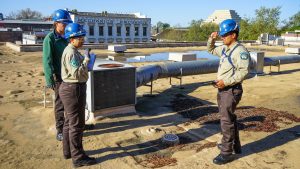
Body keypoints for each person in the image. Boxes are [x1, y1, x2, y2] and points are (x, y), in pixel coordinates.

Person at [207, 19, 250, 165]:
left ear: (234, 35)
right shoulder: (225, 48)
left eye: (225, 35)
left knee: (226, 121)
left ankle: (226, 153)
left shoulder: (240, 51)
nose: (222, 37)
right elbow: (211, 50)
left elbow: (243, 72)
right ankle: (234, 146)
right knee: (229, 118)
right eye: (222, 35)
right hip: (223, 89)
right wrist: (211, 39)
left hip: (231, 90)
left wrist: (225, 82)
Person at [59, 23, 97, 168]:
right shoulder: (71, 52)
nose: (82, 40)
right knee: (76, 125)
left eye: (82, 37)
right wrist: (87, 61)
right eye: (79, 37)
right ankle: (78, 157)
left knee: (69, 122)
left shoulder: (72, 50)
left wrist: (86, 60)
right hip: (73, 89)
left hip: (70, 88)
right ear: (71, 38)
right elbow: (76, 73)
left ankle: (68, 151)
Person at [43, 9, 72, 141]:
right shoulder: (50, 39)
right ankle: (60, 130)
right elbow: (47, 61)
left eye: (67, 24)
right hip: (59, 77)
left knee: (72, 103)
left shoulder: (67, 37)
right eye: (63, 24)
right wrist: (50, 80)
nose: (65, 26)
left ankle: (72, 125)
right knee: (60, 104)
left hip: (70, 76)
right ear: (56, 23)